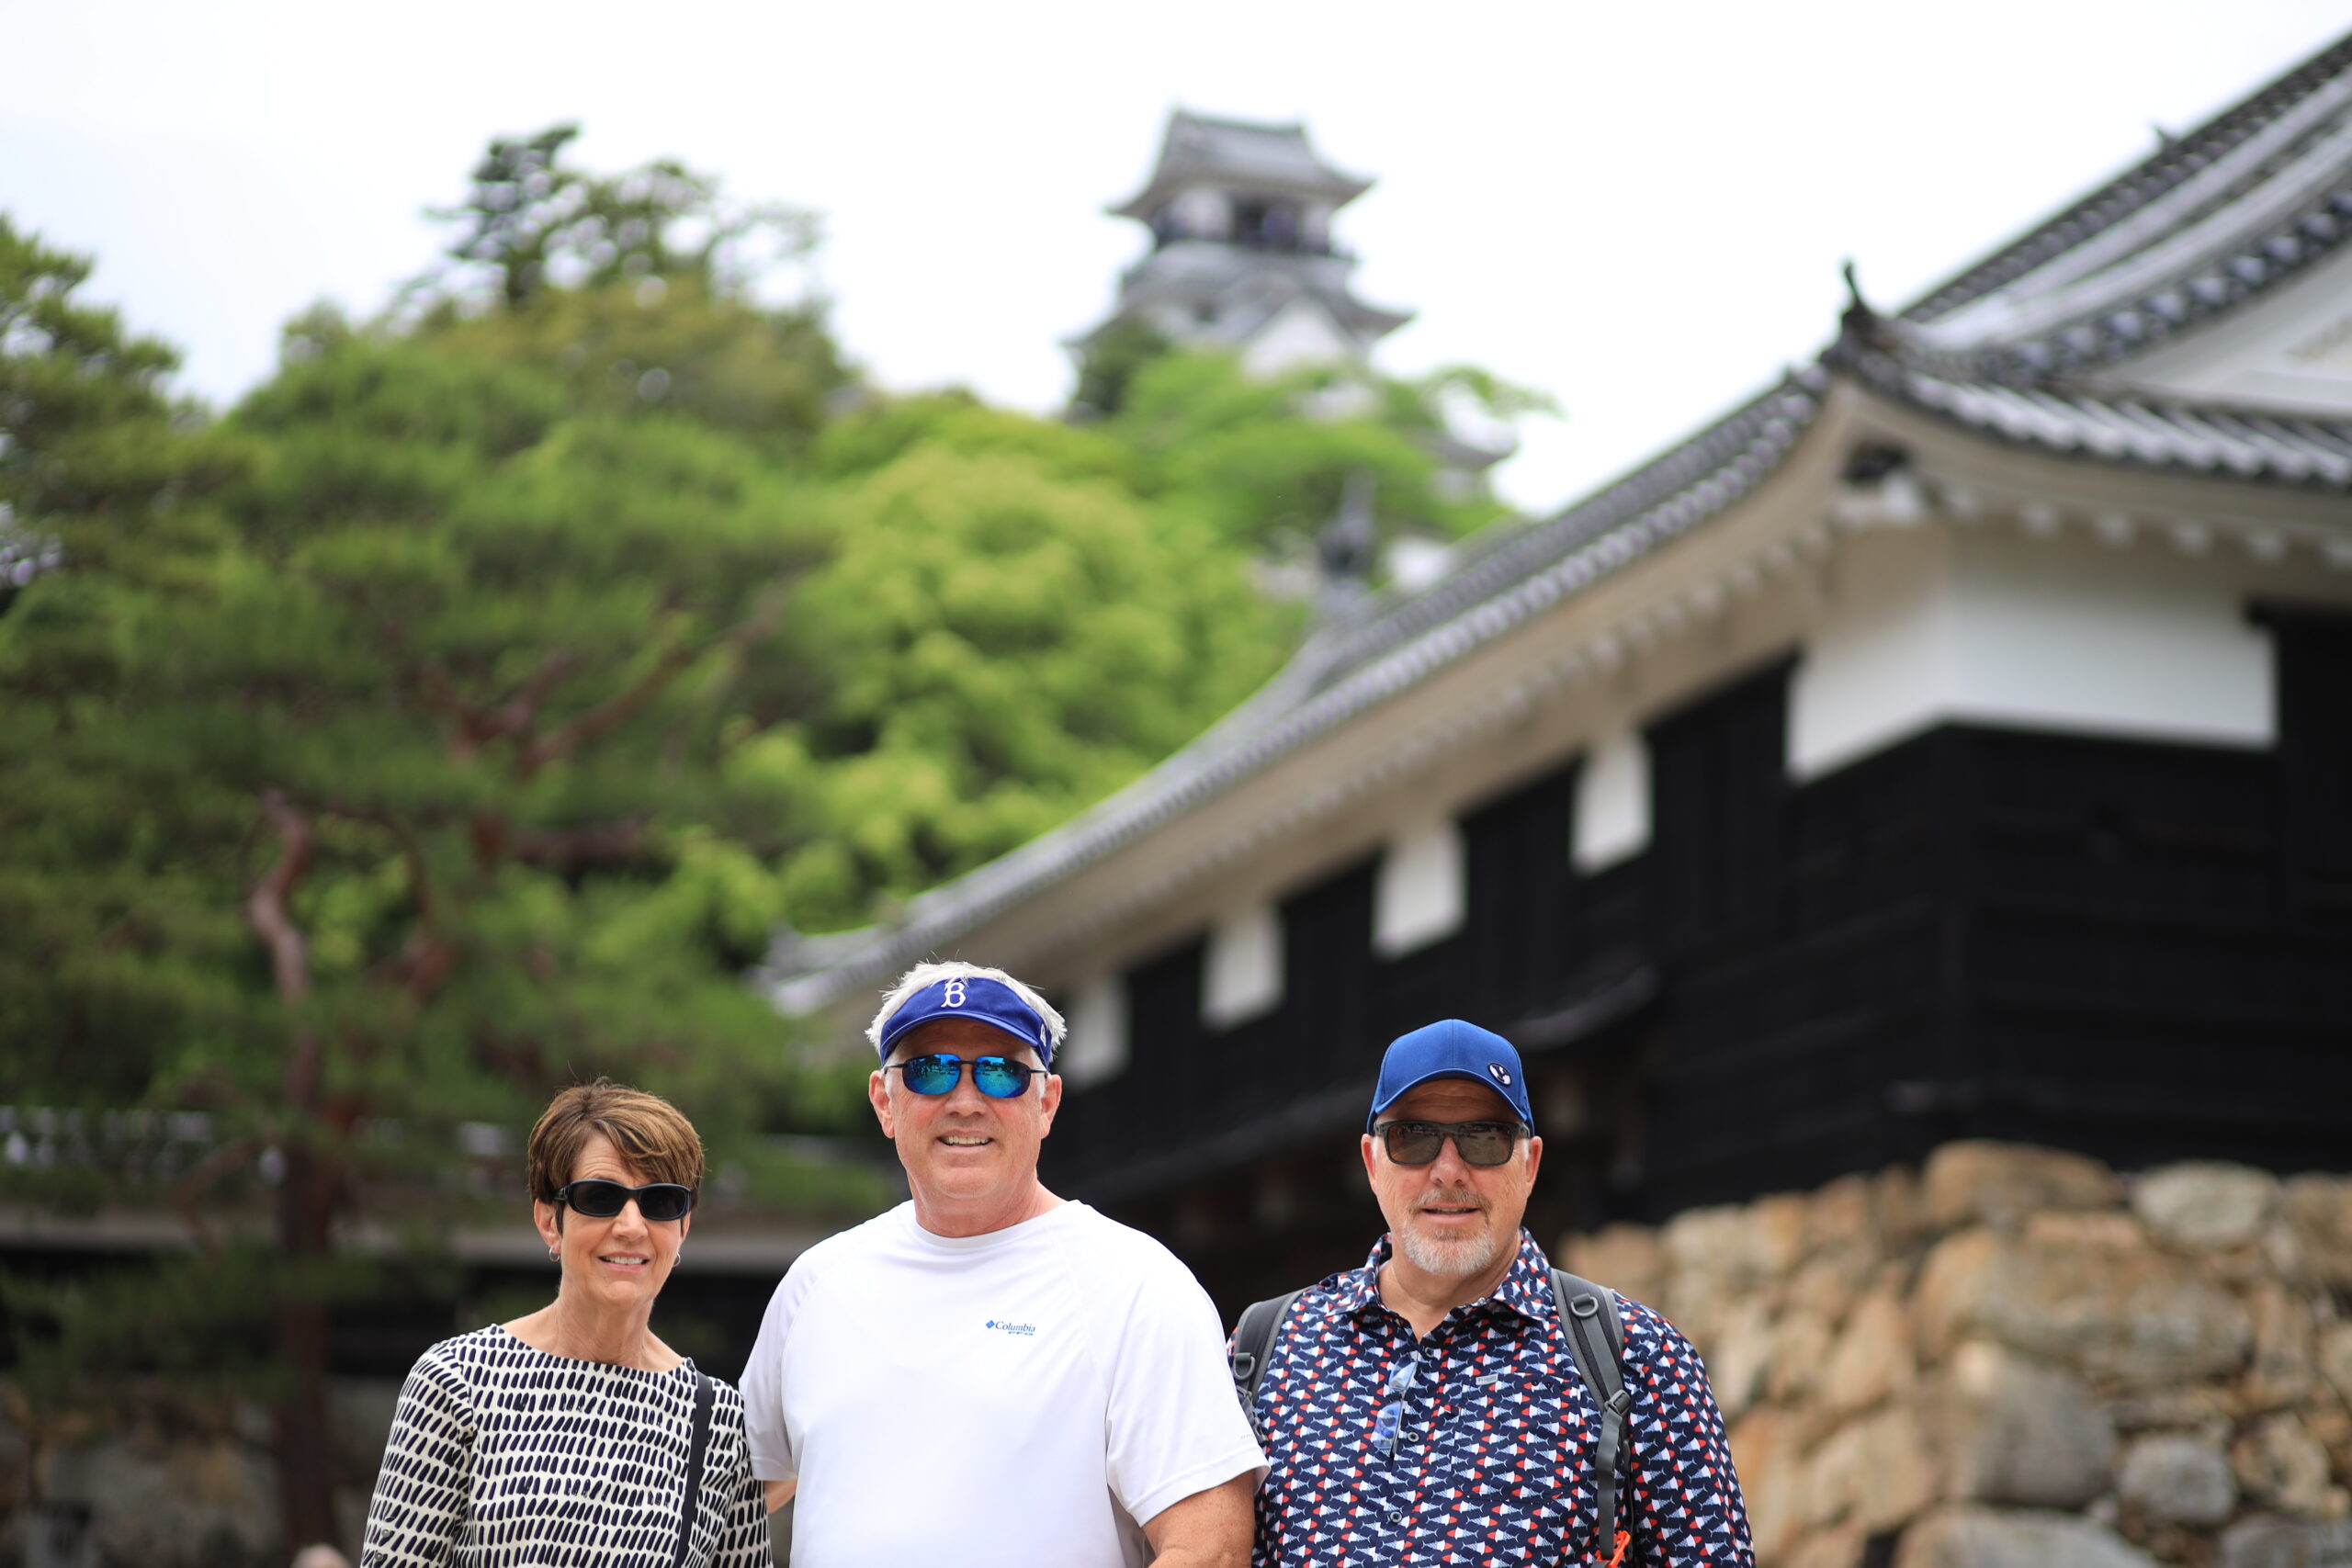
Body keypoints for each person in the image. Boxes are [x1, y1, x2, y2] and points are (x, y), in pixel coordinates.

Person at [740, 961, 1264, 1567]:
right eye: (930, 1070)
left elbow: (1211, 1546)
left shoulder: (1136, 1284)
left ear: (1047, 1101)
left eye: (1002, 1072)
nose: (966, 1101)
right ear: (885, 1101)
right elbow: (732, 1496)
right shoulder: (817, 1283)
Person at [1239, 1020, 1753, 1567]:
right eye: (1412, 1138)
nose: (1448, 1171)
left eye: (1484, 1139)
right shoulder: (1268, 1350)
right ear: (1371, 1162)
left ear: (1529, 1164)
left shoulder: (1637, 1358)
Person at [359, 1079, 772, 1567]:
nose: (631, 1226)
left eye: (660, 1202)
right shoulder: (457, 1381)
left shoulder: (719, 1420)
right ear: (549, 1220)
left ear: (683, 1226)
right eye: (601, 1197)